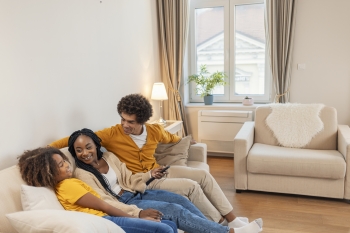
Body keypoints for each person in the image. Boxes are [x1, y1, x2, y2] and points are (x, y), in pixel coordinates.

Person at [50, 93, 261, 228]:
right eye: (122, 119)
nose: (124, 124)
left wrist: (186, 140)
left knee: (202, 176)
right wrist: (46, 151)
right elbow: (75, 141)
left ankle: (231, 220)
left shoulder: (153, 130)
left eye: (130, 122)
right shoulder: (110, 135)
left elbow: (171, 138)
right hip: (142, 182)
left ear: (142, 120)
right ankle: (224, 226)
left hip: (154, 173)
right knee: (190, 188)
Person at [68, 128, 263, 233]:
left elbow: (129, 178)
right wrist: (138, 212)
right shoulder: (82, 173)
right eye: (79, 150)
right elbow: (106, 202)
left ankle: (218, 230)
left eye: (88, 147)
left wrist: (149, 175)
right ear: (74, 152)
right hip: (125, 203)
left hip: (137, 192)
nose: (85, 153)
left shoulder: (109, 157)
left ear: (96, 145)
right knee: (175, 211)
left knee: (183, 201)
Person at [17, 147, 177, 233]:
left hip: (107, 217)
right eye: (61, 165)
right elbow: (103, 206)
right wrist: (137, 218)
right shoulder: (67, 186)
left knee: (169, 224)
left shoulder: (68, 182)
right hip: (106, 220)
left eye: (64, 161)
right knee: (163, 229)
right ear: (49, 173)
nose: (67, 165)